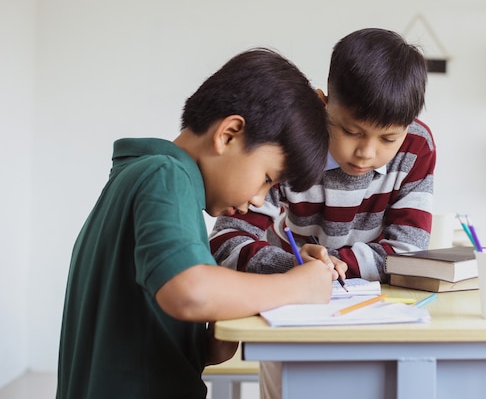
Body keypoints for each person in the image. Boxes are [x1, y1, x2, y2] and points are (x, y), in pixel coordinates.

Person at [55, 48, 336, 399]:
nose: (259, 200)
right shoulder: (166, 176)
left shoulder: (143, 177)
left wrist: (207, 344)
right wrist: (297, 287)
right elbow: (190, 293)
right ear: (229, 133)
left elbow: (145, 336)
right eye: (266, 178)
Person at [209, 27, 436, 399]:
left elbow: (409, 252)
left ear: (407, 128)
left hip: (379, 323)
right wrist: (293, 269)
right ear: (322, 103)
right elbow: (227, 239)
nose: (366, 152)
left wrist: (329, 267)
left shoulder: (417, 147)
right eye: (350, 130)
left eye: (387, 139)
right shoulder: (289, 144)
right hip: (294, 319)